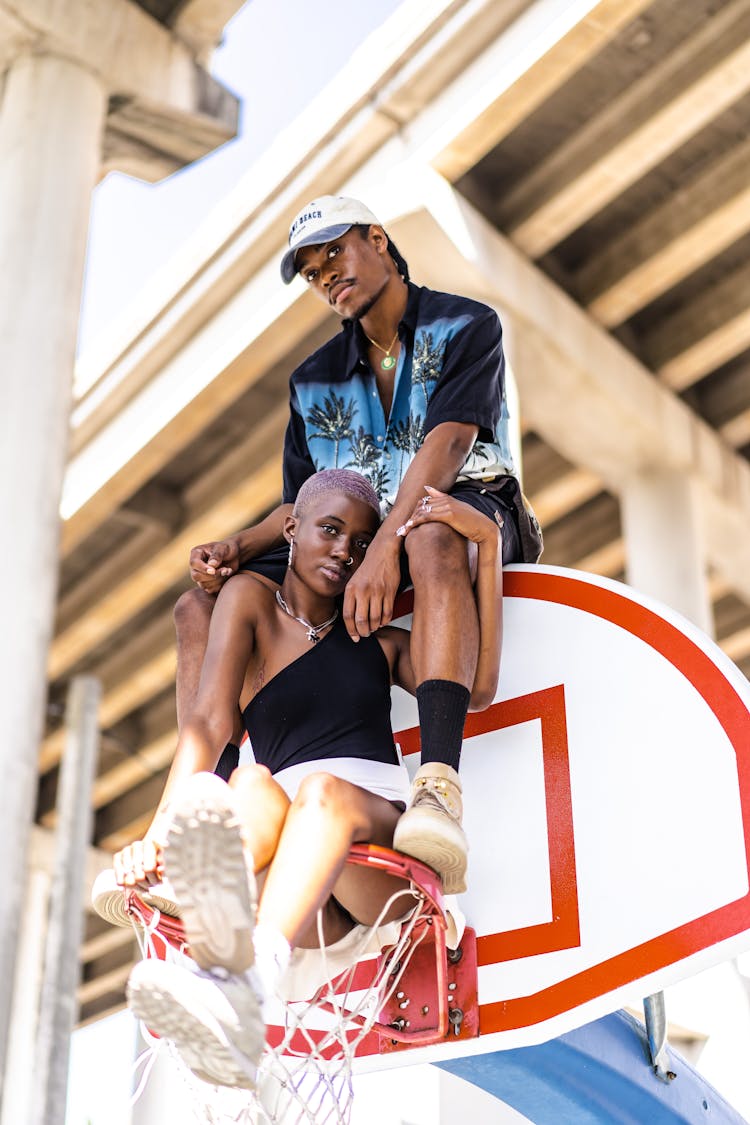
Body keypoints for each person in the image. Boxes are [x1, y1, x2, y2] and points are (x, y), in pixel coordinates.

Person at [176, 195, 542, 894]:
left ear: (377, 239)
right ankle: (207, 808)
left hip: (462, 510)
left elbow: (450, 442)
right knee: (200, 607)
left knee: (430, 531)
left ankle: (437, 786)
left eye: (335, 255)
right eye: (313, 273)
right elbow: (302, 502)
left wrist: (384, 550)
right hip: (362, 531)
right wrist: (236, 544)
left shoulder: (466, 324)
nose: (327, 277)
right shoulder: (311, 380)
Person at [116, 468, 503, 1089]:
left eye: (361, 540)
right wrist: (159, 832)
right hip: (303, 898)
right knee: (243, 787)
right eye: (330, 529)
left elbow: (476, 686)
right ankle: (223, 966)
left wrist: (484, 542)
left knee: (321, 792)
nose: (345, 550)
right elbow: (210, 722)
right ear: (291, 529)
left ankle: (247, 982)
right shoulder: (249, 602)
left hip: (379, 874)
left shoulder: (376, 642)